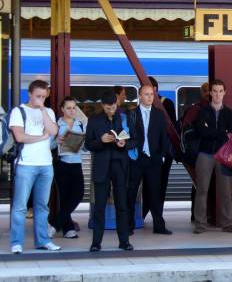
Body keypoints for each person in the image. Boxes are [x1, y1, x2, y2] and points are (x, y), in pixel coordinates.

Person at [9, 80, 61, 254]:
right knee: (20, 206)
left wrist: (42, 111)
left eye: (44, 97)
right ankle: (17, 242)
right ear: (29, 94)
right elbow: (19, 137)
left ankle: (43, 241)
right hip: (25, 164)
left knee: (42, 206)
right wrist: (40, 137)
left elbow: (53, 132)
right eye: (38, 96)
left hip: (46, 164)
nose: (41, 99)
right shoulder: (18, 111)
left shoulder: (48, 111)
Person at [85, 90, 136, 252]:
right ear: (102, 106)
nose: (111, 111)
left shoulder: (124, 118)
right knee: (99, 206)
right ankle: (96, 242)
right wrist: (100, 141)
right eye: (108, 108)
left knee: (122, 205)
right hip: (102, 167)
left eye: (113, 107)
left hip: (120, 166)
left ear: (117, 104)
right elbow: (88, 144)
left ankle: (124, 241)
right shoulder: (94, 121)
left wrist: (124, 144)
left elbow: (135, 140)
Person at [192, 79, 232, 234]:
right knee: (202, 190)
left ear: (224, 92)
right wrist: (220, 133)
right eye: (215, 91)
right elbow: (201, 131)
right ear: (210, 93)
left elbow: (230, 136)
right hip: (205, 154)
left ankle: (227, 223)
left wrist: (210, 130)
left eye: (220, 91)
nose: (217, 94)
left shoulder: (230, 114)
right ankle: (200, 224)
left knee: (225, 190)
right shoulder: (202, 112)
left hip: (223, 156)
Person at [126, 85, 173, 236]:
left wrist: (164, 155)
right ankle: (129, 225)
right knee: (131, 192)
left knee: (155, 193)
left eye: (151, 94)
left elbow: (163, 136)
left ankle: (159, 225)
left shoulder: (159, 114)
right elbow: (127, 135)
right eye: (146, 94)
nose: (150, 97)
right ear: (139, 96)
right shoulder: (131, 114)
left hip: (154, 159)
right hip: (136, 158)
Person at [49, 96, 86, 239]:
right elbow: (48, 146)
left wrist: (82, 144)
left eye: (74, 108)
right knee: (65, 197)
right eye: (69, 108)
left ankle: (55, 225)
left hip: (77, 163)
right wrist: (56, 141)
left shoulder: (81, 124)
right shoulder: (56, 125)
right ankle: (68, 228)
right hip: (61, 164)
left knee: (79, 193)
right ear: (62, 109)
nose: (72, 111)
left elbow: (86, 148)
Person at [179, 81, 209, 222]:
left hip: (196, 154)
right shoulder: (201, 109)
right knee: (202, 186)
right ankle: (202, 216)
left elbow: (185, 129)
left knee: (198, 185)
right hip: (203, 153)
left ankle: (196, 216)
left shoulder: (192, 109)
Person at [147, 76, 176, 219]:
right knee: (151, 184)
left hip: (163, 152)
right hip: (150, 152)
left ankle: (156, 215)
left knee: (159, 184)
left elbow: (171, 129)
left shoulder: (166, 104)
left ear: (155, 89)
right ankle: (147, 213)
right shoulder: (143, 107)